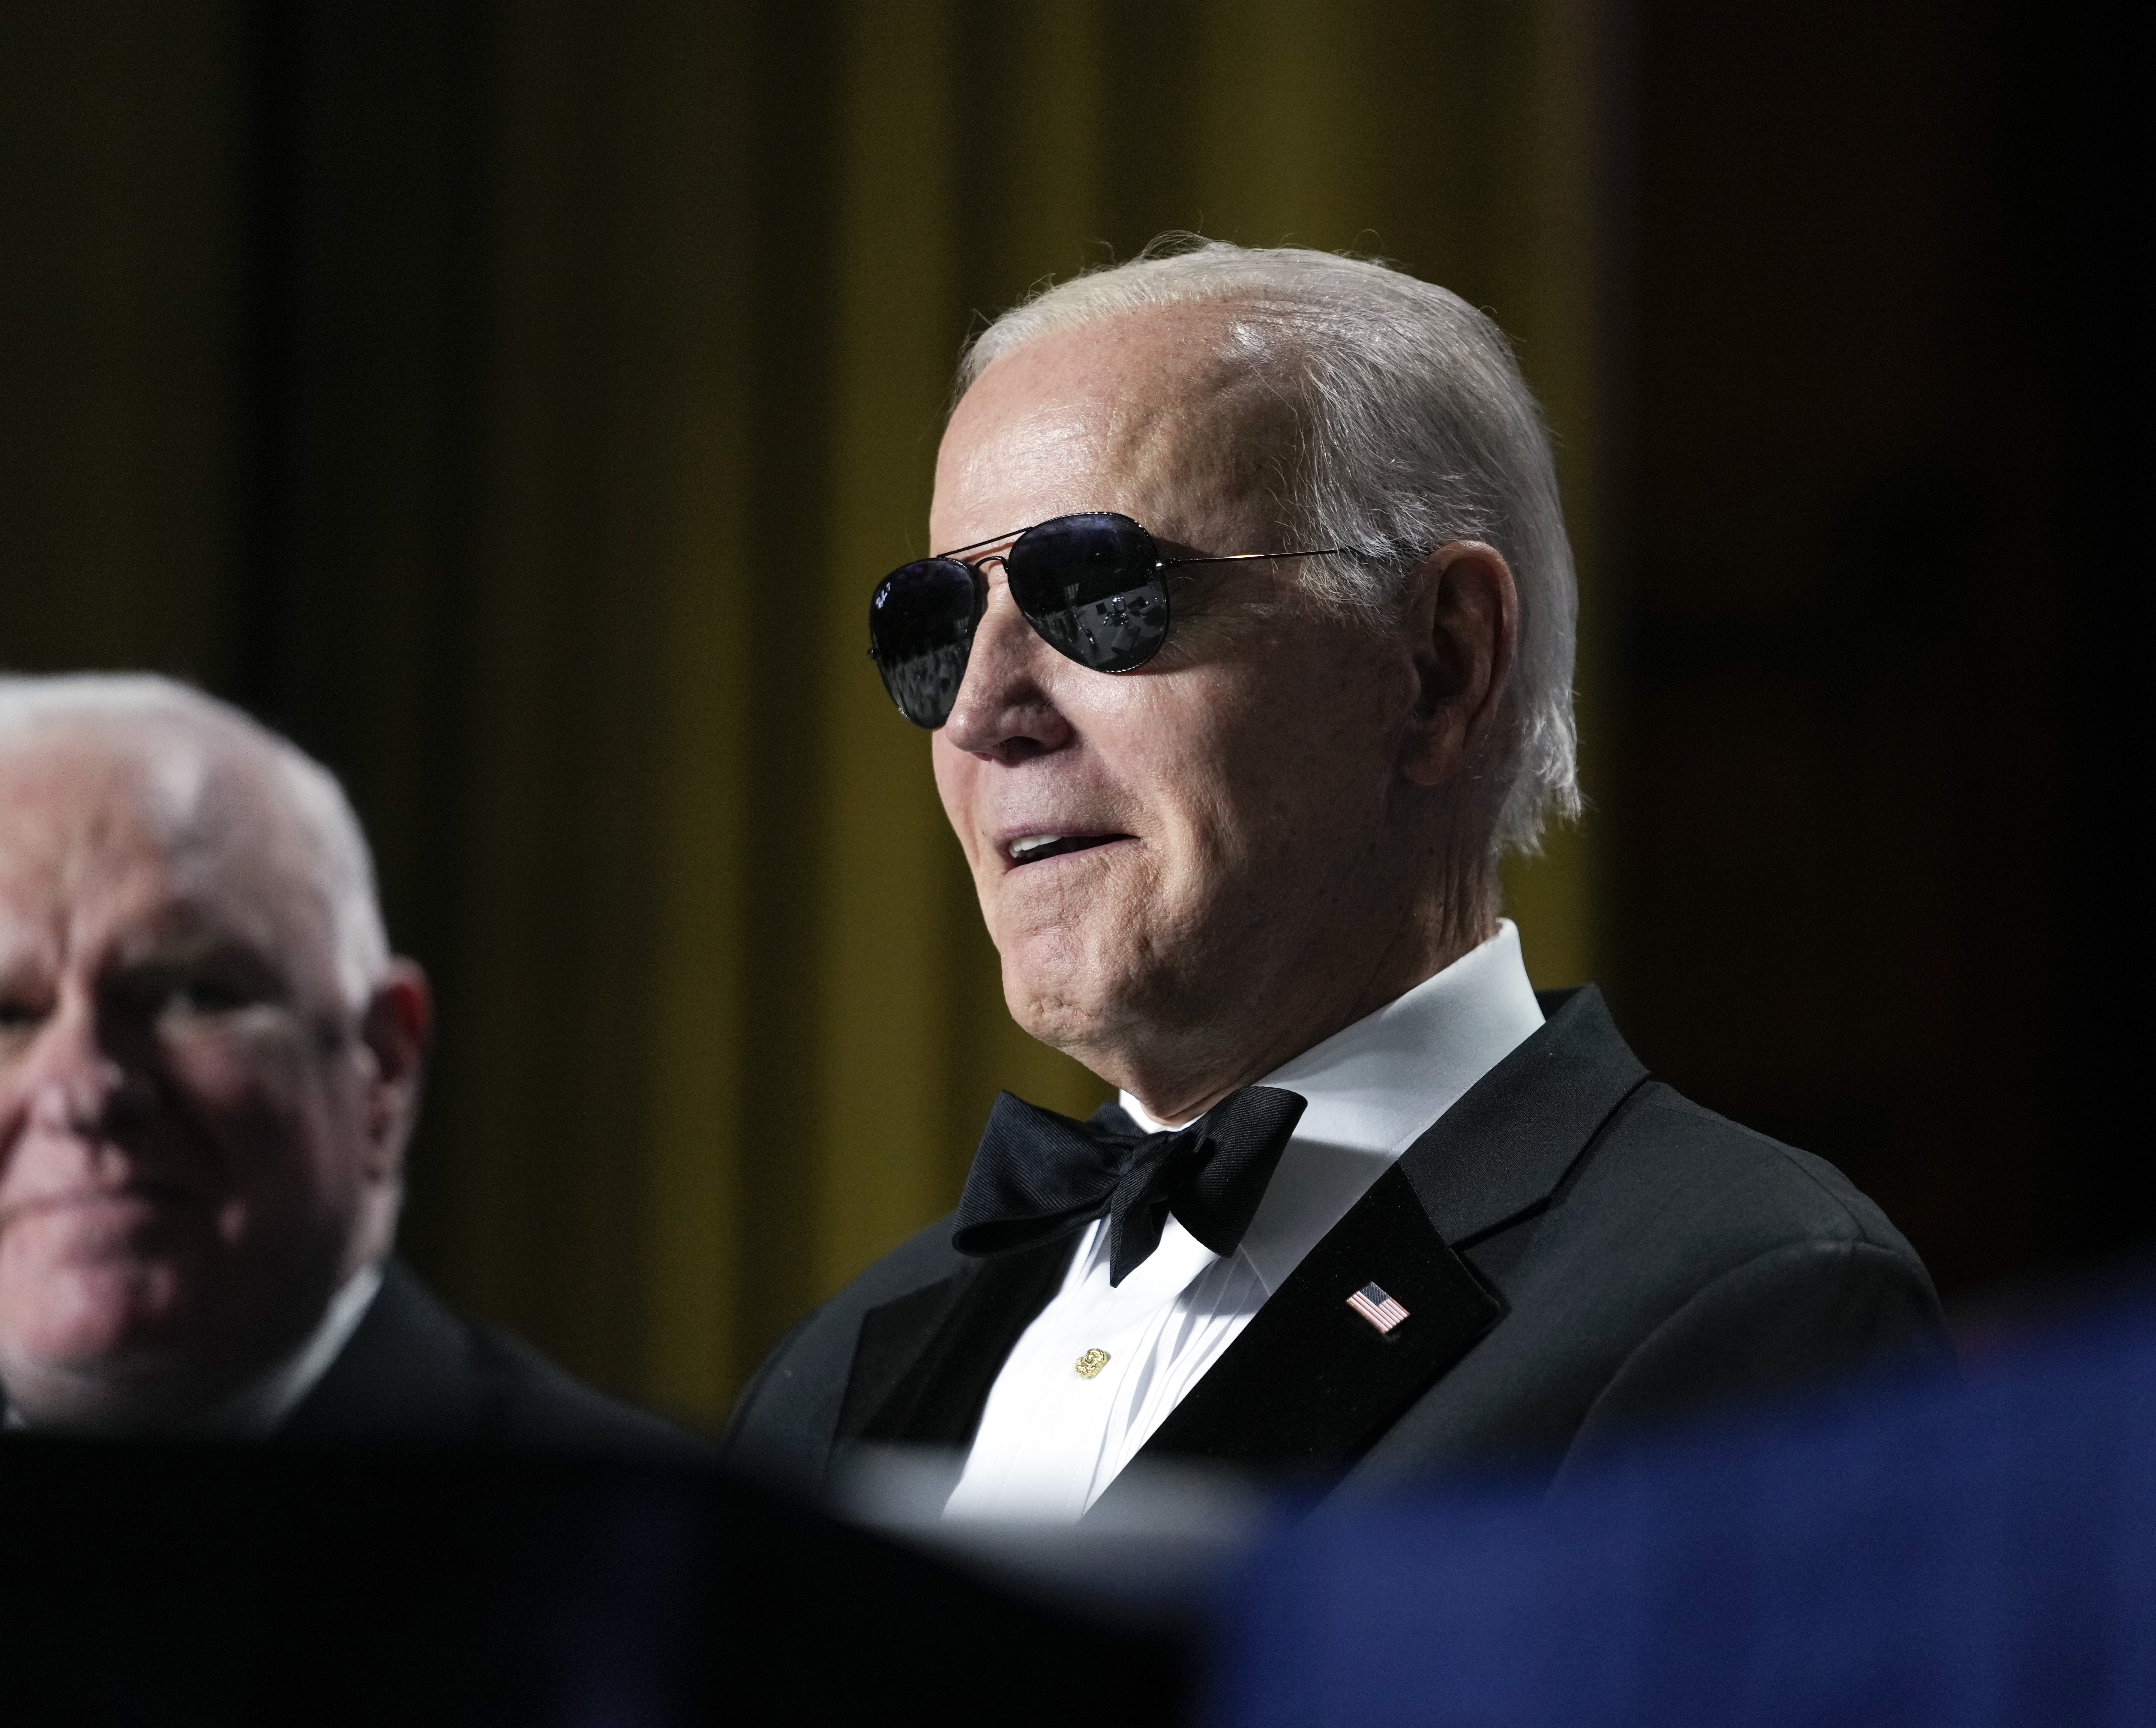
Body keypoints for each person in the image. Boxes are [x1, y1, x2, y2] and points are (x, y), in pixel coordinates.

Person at [727, 241, 1945, 1519]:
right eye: (932, 629)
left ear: (1436, 666)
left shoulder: (1747, 1304)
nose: (982, 715)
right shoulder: (830, 1382)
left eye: (1097, 593)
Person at [0, 674, 686, 1453]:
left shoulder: (674, 1554)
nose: (82, 1089)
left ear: (382, 1065)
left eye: (191, 997)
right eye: (6, 1019)